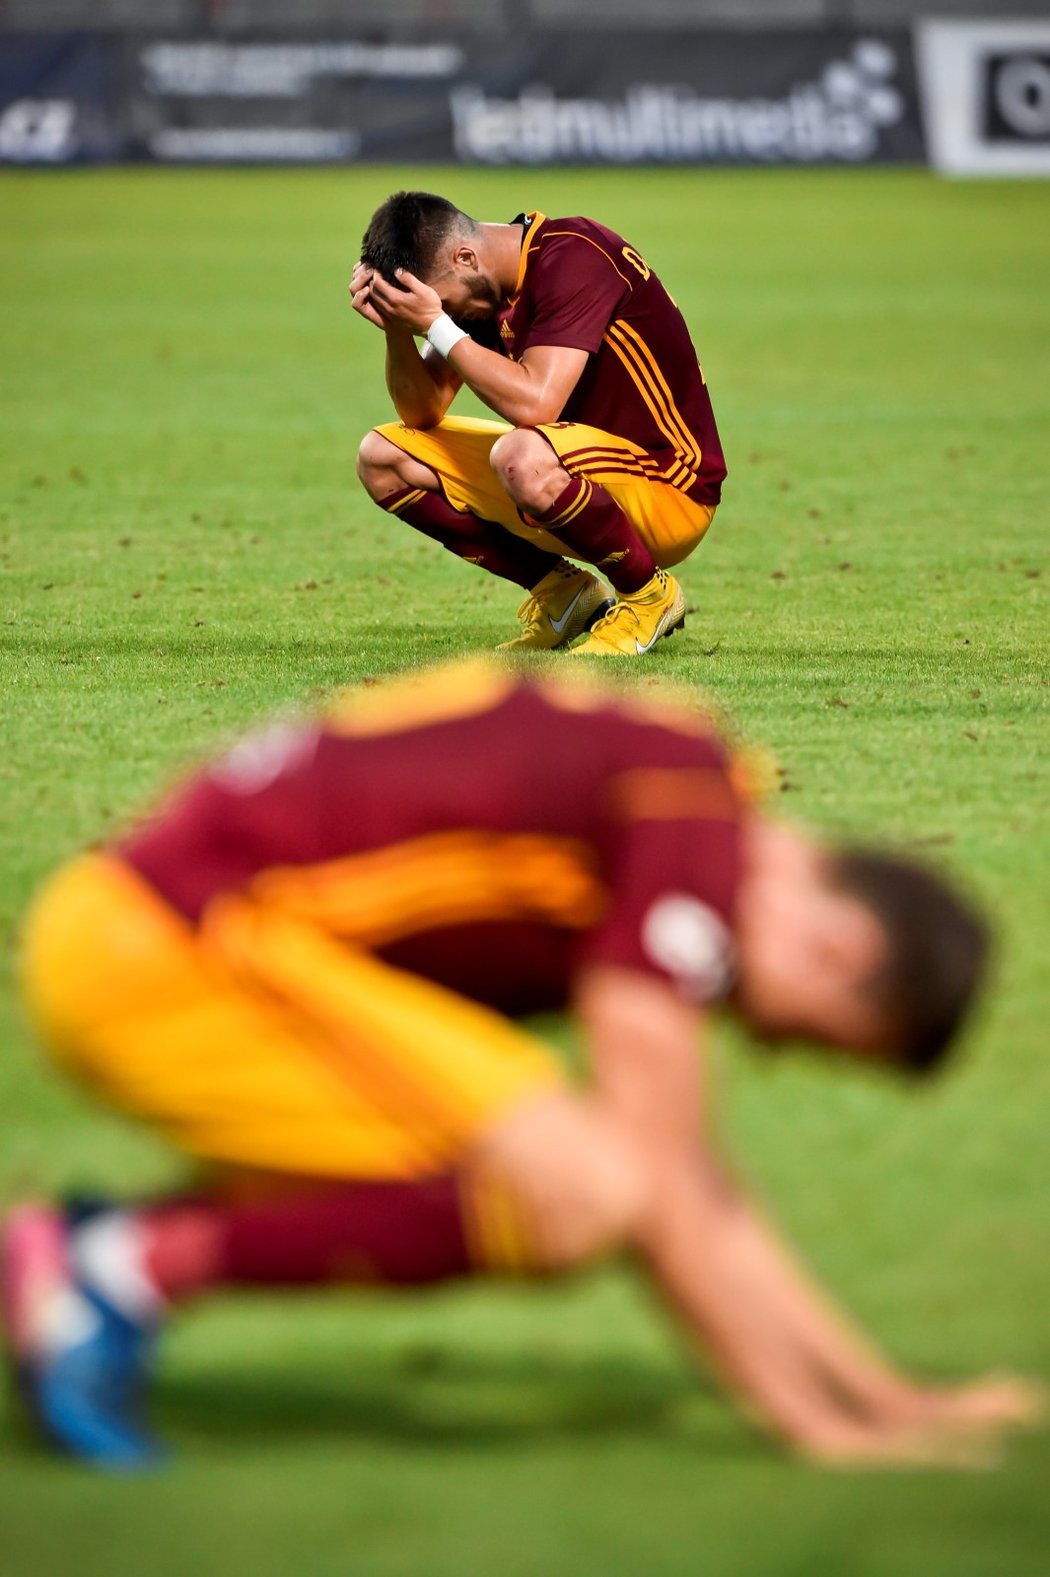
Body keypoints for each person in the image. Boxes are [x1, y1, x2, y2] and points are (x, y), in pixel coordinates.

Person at [2, 660, 1038, 1472]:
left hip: (175, 937)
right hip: (167, 953)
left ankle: (103, 1259)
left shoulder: (689, 781)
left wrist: (889, 1398)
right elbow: (662, 1182)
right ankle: (111, 1267)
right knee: (581, 1183)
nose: (766, 1047)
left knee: (577, 1163)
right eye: (806, 1033)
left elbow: (685, 1170)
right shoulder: (687, 821)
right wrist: (820, 1426)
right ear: (837, 949)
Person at [350, 192, 726, 656]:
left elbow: (536, 406)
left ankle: (648, 596)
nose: (444, 316)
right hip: (577, 479)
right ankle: (565, 594)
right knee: (384, 457)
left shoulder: (576, 255)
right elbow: (421, 413)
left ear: (465, 258)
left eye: (442, 304)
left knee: (520, 455)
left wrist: (436, 325)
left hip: (668, 485)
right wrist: (395, 326)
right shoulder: (485, 290)